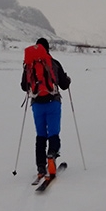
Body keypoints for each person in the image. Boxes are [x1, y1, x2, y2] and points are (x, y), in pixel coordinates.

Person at [21, 38, 71, 178]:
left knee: (41, 135)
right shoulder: (53, 63)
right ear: (47, 49)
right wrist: (68, 79)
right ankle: (52, 155)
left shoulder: (29, 65)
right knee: (54, 132)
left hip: (37, 104)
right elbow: (64, 85)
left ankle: (41, 167)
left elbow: (24, 86)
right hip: (53, 102)